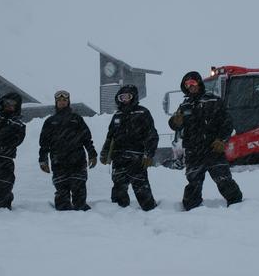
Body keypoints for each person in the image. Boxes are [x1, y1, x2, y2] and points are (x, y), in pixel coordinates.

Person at [169, 71, 243, 211]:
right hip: (193, 152)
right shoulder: (185, 106)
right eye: (187, 84)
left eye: (193, 82)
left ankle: (238, 207)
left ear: (199, 83)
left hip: (214, 149)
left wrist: (222, 140)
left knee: (224, 180)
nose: (191, 86)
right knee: (193, 182)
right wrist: (175, 122)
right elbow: (174, 124)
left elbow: (227, 123)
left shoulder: (213, 101)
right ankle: (191, 210)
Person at [100, 84, 158, 211]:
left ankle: (150, 210)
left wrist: (149, 153)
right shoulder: (117, 116)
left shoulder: (142, 113)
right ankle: (119, 212)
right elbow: (110, 137)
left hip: (137, 157)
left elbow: (152, 135)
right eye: (122, 97)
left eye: (127, 96)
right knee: (119, 186)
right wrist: (105, 153)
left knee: (141, 186)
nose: (125, 100)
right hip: (119, 157)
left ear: (133, 97)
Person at [38, 90, 97, 211]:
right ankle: (63, 224)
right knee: (62, 201)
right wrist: (43, 160)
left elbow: (87, 139)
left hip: (78, 161)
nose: (62, 102)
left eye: (64, 100)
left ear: (68, 102)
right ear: (56, 102)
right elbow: (44, 144)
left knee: (80, 197)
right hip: (58, 162)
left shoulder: (77, 119)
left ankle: (86, 222)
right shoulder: (50, 122)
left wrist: (92, 154)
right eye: (59, 100)